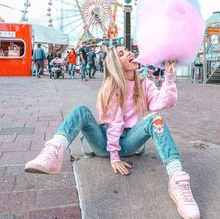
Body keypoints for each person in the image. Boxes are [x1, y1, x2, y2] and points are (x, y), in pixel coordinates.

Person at [25, 45, 200, 219]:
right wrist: (114, 157)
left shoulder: (144, 83)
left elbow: (163, 102)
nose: (130, 53)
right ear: (116, 64)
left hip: (129, 141)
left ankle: (177, 180)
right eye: (122, 54)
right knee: (81, 111)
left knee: (156, 119)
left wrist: (169, 75)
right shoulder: (112, 86)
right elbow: (115, 123)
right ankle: (54, 151)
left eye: (128, 51)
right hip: (105, 143)